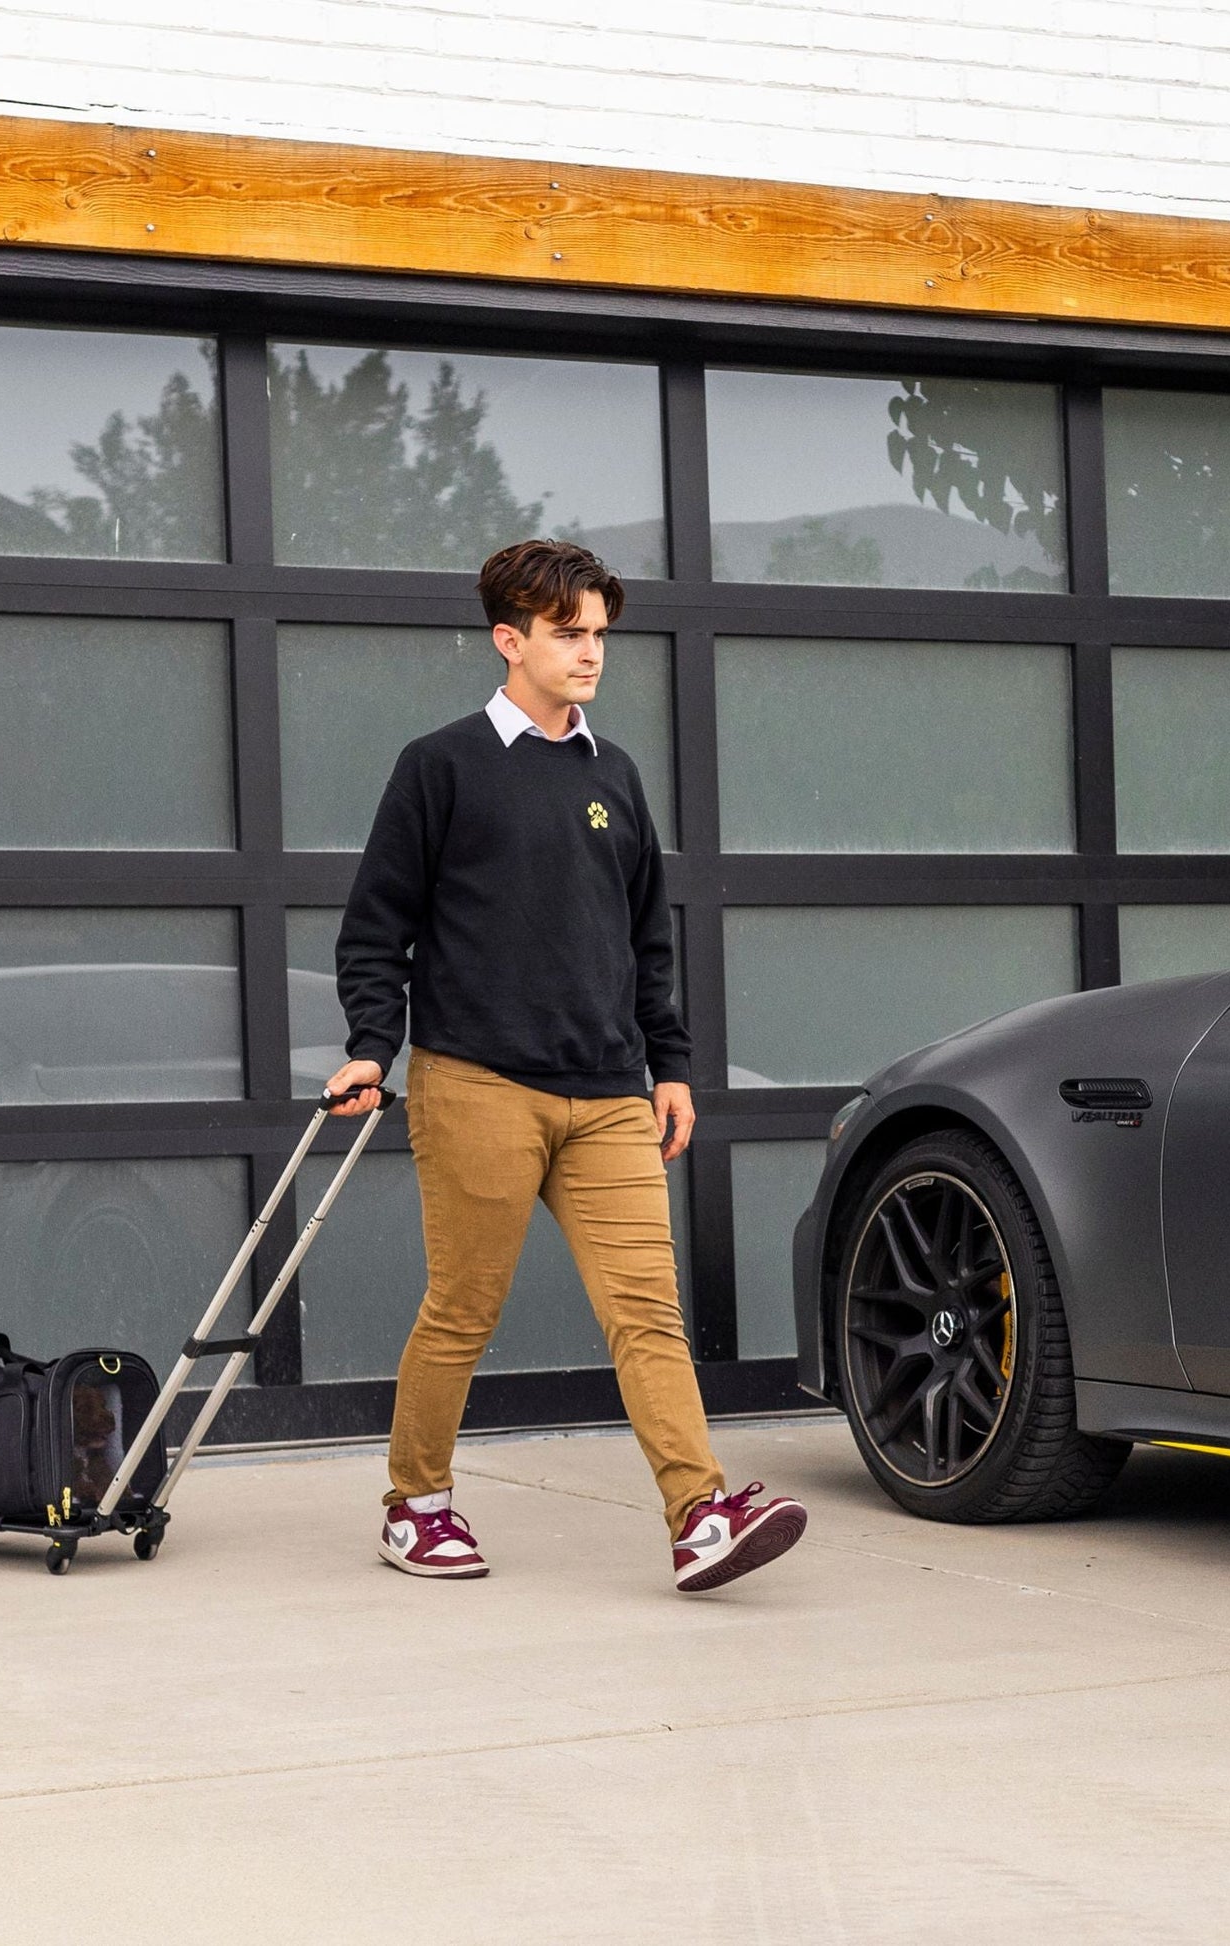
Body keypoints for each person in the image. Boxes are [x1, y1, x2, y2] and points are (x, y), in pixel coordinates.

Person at [326, 538, 807, 1594]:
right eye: (567, 632)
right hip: (477, 1084)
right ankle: (415, 1504)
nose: (590, 651)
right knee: (463, 1306)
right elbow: (375, 930)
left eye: (598, 633)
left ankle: (699, 1515)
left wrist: (669, 1063)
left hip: (607, 1094)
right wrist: (369, 1047)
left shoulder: (614, 775)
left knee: (648, 1312)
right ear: (509, 639)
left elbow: (646, 938)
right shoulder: (440, 766)